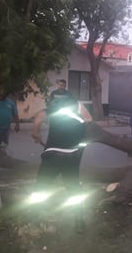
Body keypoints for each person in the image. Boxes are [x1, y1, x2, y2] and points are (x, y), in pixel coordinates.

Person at [31, 90, 92, 231]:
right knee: (74, 188)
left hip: (52, 154)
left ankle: (35, 216)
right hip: (73, 155)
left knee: (41, 186)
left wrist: (36, 133)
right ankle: (79, 221)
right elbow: (89, 120)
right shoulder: (78, 105)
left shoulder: (51, 108)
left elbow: (39, 116)